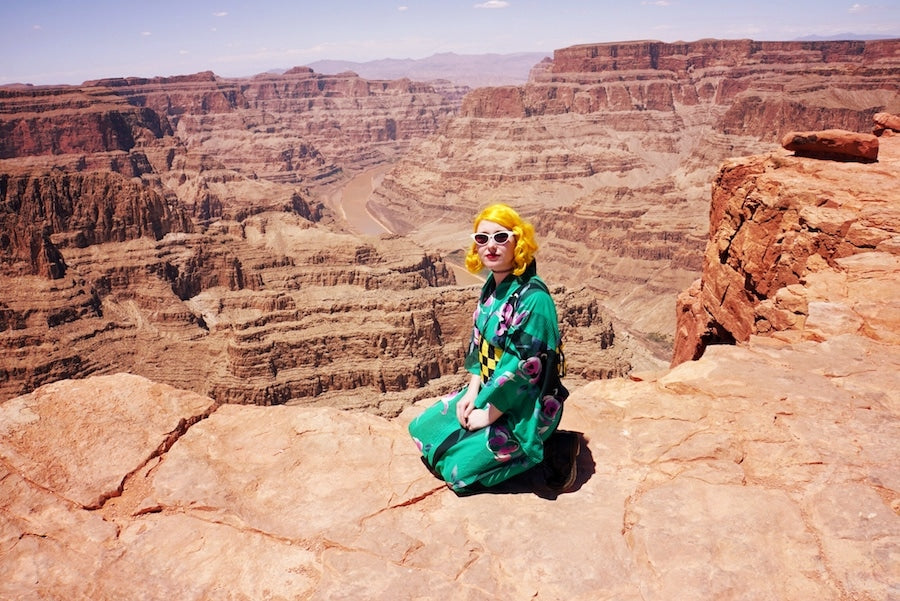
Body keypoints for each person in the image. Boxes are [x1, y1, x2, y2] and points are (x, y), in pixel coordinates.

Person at [408, 203, 578, 495]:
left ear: (518, 242)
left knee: (456, 473)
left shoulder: (534, 299)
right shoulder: (492, 286)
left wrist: (488, 415)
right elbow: (480, 343)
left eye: (501, 237)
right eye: (482, 238)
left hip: (526, 405)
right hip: (491, 391)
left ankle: (554, 447)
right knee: (422, 431)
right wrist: (473, 392)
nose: (491, 246)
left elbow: (523, 368)